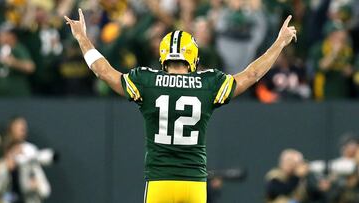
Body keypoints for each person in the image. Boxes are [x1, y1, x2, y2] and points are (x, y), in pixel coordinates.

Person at [64, 8, 297, 203]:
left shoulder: (147, 81)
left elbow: (102, 71)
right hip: (193, 183)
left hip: (160, 181)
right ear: (193, 57)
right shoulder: (208, 83)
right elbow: (252, 74)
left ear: (163, 56)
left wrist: (82, 37)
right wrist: (279, 43)